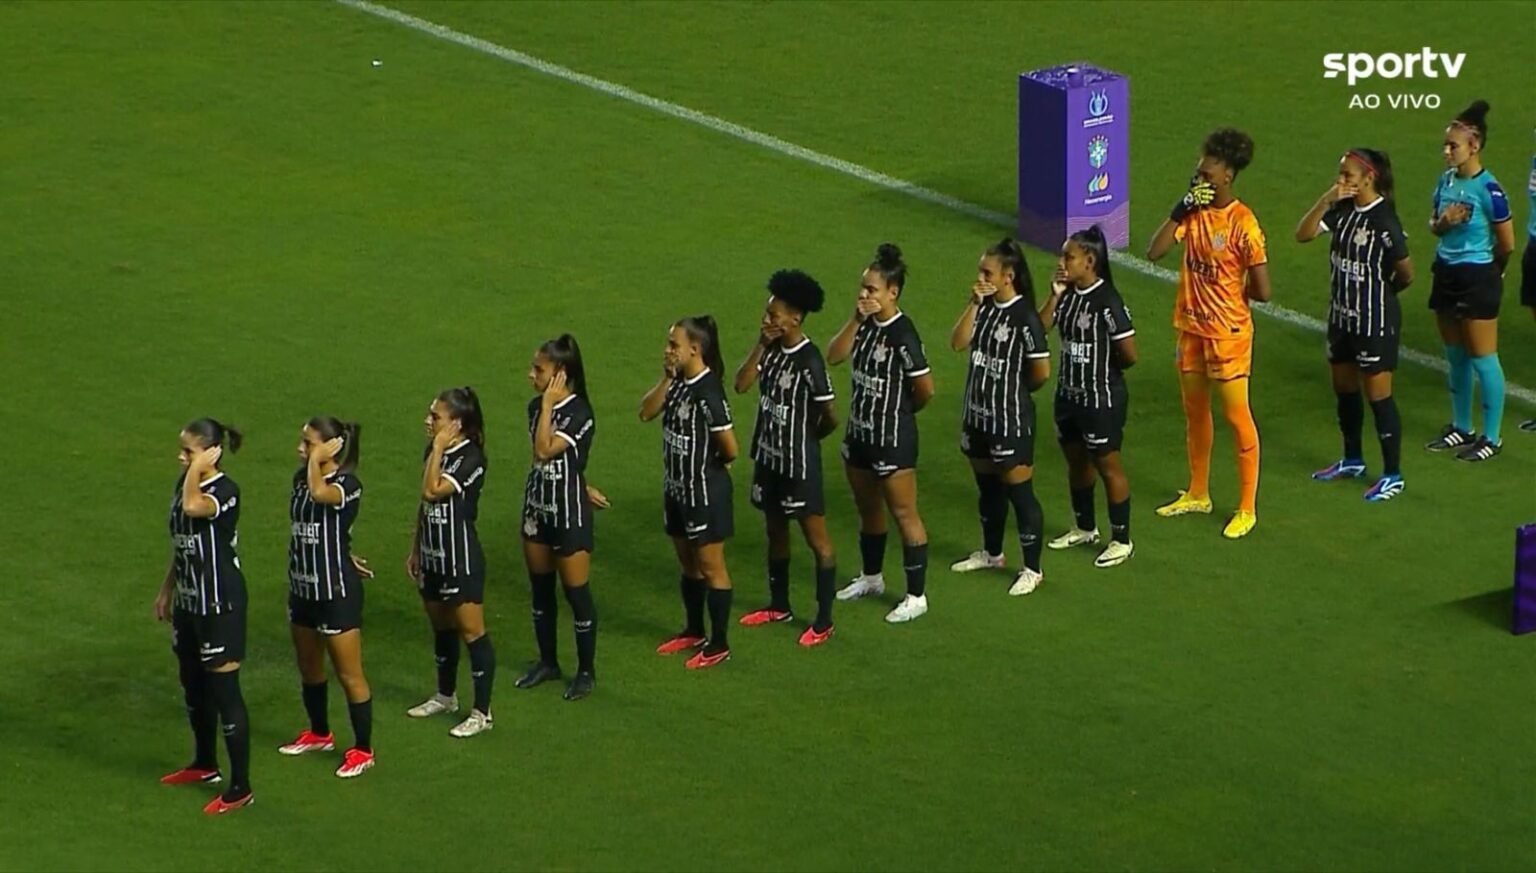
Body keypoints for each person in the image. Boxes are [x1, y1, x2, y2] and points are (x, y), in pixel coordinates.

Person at [1146, 128, 1272, 539]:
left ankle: (1247, 507)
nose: (1200, 170)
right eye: (1201, 164)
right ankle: (1198, 492)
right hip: (1191, 328)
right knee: (1195, 411)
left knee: (1237, 417)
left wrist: (1231, 295)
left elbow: (1264, 290)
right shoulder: (1194, 213)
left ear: (1228, 174)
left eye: (1209, 165)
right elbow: (1155, 251)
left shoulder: (1243, 223)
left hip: (1228, 334)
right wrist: (1180, 209)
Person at [1295, 150, 1415, 500]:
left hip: (1374, 323)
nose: (1341, 181)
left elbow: (1406, 273)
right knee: (1344, 389)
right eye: (1340, 175)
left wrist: (1380, 294)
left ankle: (1393, 474)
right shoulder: (1341, 210)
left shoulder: (1384, 221)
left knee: (1379, 397)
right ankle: (1352, 459)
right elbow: (1302, 234)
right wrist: (1325, 199)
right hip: (1341, 317)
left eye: (1347, 176)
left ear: (1369, 178)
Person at [826, 243, 935, 622]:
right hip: (860, 436)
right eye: (862, 288)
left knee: (904, 513)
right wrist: (856, 318)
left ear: (893, 292)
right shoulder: (864, 327)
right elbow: (834, 355)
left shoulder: (903, 333)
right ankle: (871, 578)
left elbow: (925, 389)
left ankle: (916, 596)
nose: (864, 295)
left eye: (871, 290)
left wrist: (901, 415)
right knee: (868, 510)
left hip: (893, 439)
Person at [734, 269, 840, 646]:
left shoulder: (810, 360)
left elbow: (830, 415)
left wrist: (808, 442)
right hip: (768, 458)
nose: (767, 320)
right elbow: (741, 384)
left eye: (773, 314)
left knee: (817, 540)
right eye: (766, 313)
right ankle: (779, 606)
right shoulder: (771, 350)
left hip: (799, 465)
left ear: (795, 318)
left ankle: (824, 620)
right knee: (774, 530)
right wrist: (760, 344)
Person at [154, 418, 254, 815]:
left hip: (221, 606)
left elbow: (196, 509)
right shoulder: (185, 484)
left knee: (225, 694)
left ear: (212, 453)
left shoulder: (225, 491)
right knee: (193, 687)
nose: (181, 458)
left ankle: (241, 786)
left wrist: (198, 469)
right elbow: (184, 544)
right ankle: (204, 763)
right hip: (190, 604)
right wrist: (167, 589)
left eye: (189, 452)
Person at [948, 238, 1052, 594]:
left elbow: (1041, 372)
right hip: (976, 416)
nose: (980, 277)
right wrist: (973, 303)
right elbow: (958, 342)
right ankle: (991, 553)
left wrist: (1013, 393)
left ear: (1008, 276)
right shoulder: (984, 307)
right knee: (987, 489)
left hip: (1009, 420)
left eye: (986, 272)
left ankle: (1032, 568)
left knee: (1020, 494)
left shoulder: (1025, 317)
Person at [277, 417, 377, 778]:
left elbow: (323, 497)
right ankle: (320, 733)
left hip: (336, 592)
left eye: (309, 443)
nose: (301, 450)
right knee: (309, 667)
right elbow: (319, 530)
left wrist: (317, 458)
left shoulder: (348, 484)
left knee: (349, 674)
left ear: (331, 446)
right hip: (303, 588)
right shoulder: (299, 481)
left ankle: (363, 749)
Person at [641, 316, 740, 668]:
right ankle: (694, 630)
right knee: (688, 564)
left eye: (673, 345)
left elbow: (730, 447)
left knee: (712, 567)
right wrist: (667, 377)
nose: (667, 351)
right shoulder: (678, 383)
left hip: (704, 493)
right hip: (676, 490)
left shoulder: (708, 390)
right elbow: (646, 411)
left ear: (695, 349)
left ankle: (719, 643)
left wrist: (711, 468)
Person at [513, 336, 608, 700]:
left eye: (539, 369)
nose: (531, 374)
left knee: (576, 593)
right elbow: (548, 463)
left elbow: (544, 449)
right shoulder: (534, 408)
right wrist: (582, 484)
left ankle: (585, 671)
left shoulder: (580, 412)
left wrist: (550, 405)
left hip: (568, 514)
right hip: (537, 509)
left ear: (560, 374)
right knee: (540, 592)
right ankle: (548, 662)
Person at [1039, 226, 1138, 567]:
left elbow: (1129, 353)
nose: (1062, 262)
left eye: (1069, 256)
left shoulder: (1107, 300)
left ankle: (1122, 539)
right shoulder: (1066, 295)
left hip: (1101, 398)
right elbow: (1040, 331)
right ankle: (1084, 527)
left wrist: (1101, 372)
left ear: (1090, 261)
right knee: (1077, 463)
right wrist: (1054, 294)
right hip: (1068, 397)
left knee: (1108, 465)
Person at [1422, 100, 1516, 461]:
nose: (1446, 152)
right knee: (1455, 354)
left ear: (1474, 146)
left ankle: (1491, 437)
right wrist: (1443, 224)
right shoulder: (1444, 181)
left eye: (1453, 146)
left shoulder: (1489, 189)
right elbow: (1433, 226)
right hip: (1445, 272)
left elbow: (1506, 243)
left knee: (1483, 356)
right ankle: (1462, 428)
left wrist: (1493, 270)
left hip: (1478, 276)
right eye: (1445, 145)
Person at [404, 388, 497, 738]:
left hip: (460, 559)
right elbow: (423, 503)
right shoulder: (435, 449)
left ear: (456, 424)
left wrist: (440, 447)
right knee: (441, 627)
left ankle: (482, 712)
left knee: (472, 632)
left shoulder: (471, 457)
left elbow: (433, 490)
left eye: (436, 417)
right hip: (432, 555)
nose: (428, 422)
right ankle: (445, 696)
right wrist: (416, 547)